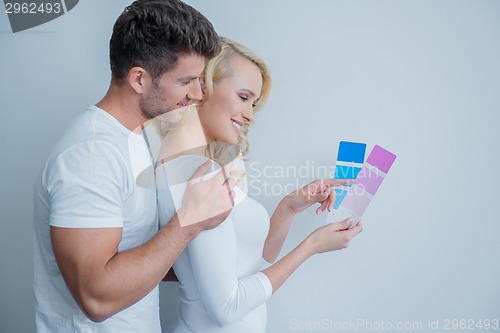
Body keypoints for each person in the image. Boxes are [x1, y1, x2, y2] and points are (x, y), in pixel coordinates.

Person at [32, 1, 234, 332]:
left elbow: (140, 258)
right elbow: (97, 299)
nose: (199, 93)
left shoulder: (135, 140)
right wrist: (189, 223)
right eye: (186, 81)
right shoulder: (92, 155)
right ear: (139, 78)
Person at [155, 37, 363, 333]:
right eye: (243, 97)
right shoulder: (200, 175)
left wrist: (288, 208)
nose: (250, 115)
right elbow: (227, 308)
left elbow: (250, 266)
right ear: (204, 88)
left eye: (253, 103)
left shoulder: (198, 166)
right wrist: (312, 245)